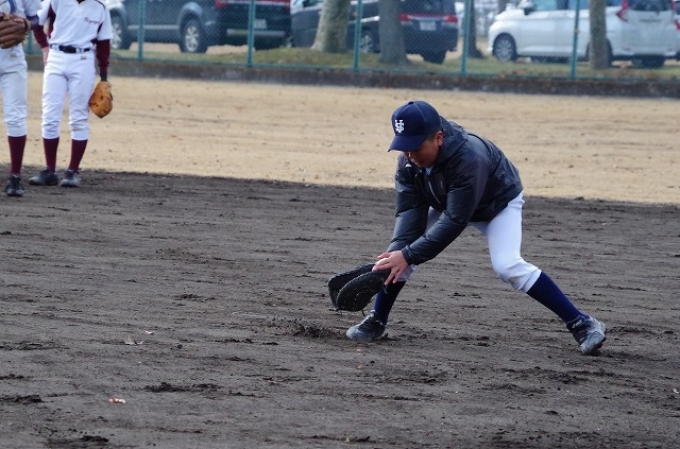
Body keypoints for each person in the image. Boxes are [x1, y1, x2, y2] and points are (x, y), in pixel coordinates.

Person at [346, 100, 607, 355]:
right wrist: (399, 252)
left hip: (496, 205)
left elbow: (454, 221)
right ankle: (377, 319)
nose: (409, 155)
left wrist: (408, 254)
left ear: (438, 138)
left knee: (507, 265)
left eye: (415, 146)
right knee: (397, 256)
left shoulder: (470, 158)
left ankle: (581, 323)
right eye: (404, 147)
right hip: (450, 203)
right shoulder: (408, 163)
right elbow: (409, 212)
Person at [28, 0, 112, 188]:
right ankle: (50, 170)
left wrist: (104, 76)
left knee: (79, 118)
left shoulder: (100, 6)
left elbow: (104, 42)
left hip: (83, 60)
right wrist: (44, 46)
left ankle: (72, 171)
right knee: (50, 116)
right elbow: (35, 21)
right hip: (56, 56)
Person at [2, 0, 42, 197]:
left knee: (16, 118)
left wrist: (26, 24)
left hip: (12, 60)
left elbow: (37, 18)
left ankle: (15, 178)